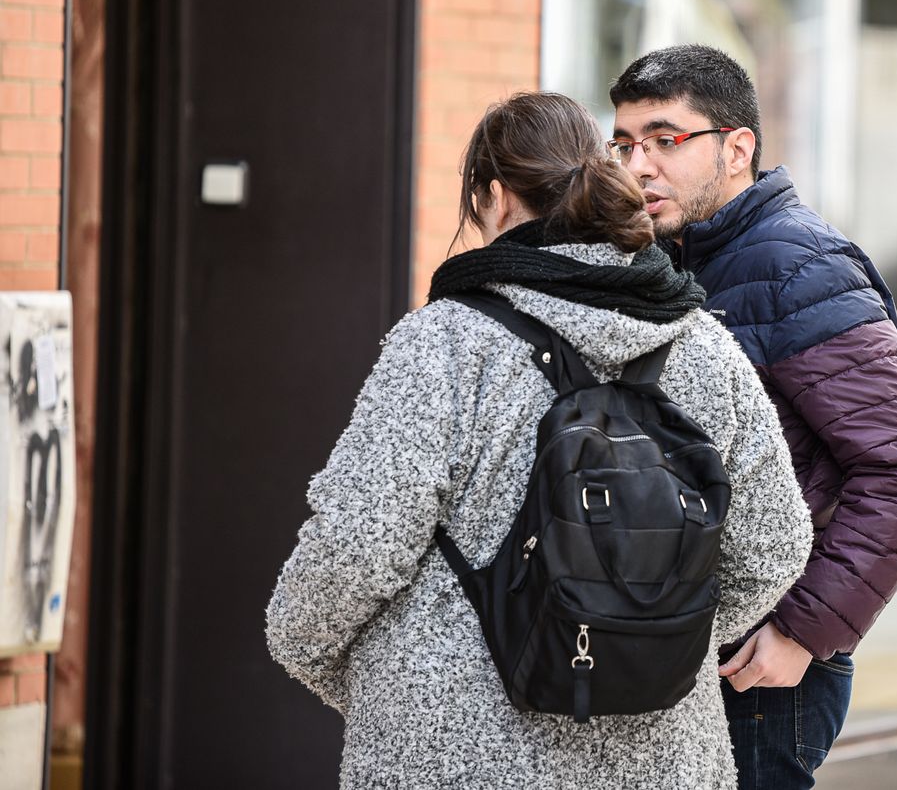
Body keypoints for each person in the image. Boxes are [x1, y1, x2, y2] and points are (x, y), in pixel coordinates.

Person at [266, 91, 812, 788]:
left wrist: (309, 650)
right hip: (661, 753)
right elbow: (776, 546)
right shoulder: (706, 345)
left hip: (450, 751)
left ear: (495, 197)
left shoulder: (447, 343)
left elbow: (359, 539)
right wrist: (642, 637)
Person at [609, 45, 897, 788]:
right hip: (674, 646)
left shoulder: (797, 267)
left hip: (760, 670)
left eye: (666, 141)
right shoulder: (667, 262)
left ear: (737, 148)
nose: (639, 167)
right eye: (626, 144)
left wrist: (804, 631)